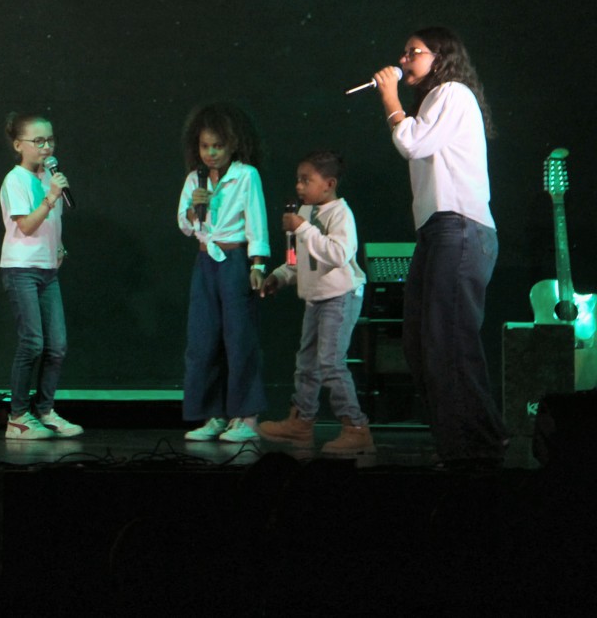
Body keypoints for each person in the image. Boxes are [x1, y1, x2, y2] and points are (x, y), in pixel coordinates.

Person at [371, 27, 506, 469]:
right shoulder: (434, 100)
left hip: (459, 226)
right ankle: (462, 444)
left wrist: (389, 98)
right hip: (437, 231)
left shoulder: (453, 93)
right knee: (419, 342)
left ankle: (476, 447)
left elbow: (411, 143)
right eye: (403, 52)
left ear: (441, 57)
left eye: (413, 52)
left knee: (448, 340)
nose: (403, 59)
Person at [257, 151, 374, 455]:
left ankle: (356, 427)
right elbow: (301, 261)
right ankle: (301, 423)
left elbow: (338, 254)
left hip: (340, 296)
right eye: (298, 179)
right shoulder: (306, 213)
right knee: (307, 363)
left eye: (306, 180)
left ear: (329, 184)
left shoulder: (340, 214)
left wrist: (302, 228)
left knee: (331, 362)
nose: (299, 186)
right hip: (316, 298)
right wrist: (280, 276)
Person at [177, 102, 270, 443]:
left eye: (218, 146)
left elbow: (256, 219)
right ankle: (212, 414)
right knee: (202, 339)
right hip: (205, 262)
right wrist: (193, 208)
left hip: (235, 260)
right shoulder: (195, 179)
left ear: (232, 145)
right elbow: (185, 225)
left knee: (239, 338)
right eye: (205, 146)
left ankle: (246, 417)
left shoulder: (245, 175)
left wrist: (257, 264)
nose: (211, 153)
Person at [0, 113, 84, 440]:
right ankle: (18, 417)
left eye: (50, 140)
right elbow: (26, 225)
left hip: (48, 270)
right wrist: (51, 197)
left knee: (57, 346)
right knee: (32, 342)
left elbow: (51, 224)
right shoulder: (15, 180)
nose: (46, 147)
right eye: (38, 141)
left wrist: (58, 246)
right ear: (19, 145)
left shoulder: (50, 177)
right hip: (21, 268)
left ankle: (45, 411)